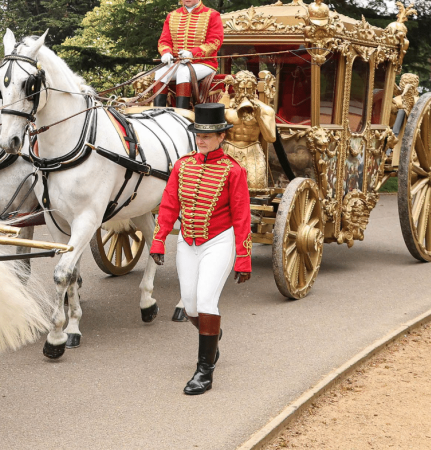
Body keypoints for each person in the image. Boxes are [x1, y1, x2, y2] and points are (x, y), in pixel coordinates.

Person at [149, 103, 251, 395]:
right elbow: (169, 205)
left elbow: (242, 217)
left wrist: (242, 259)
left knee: (206, 302)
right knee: (191, 306)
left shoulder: (233, 171)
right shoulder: (183, 165)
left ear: (222, 137)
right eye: (198, 134)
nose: (202, 140)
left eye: (209, 135)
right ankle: (213, 334)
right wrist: (159, 240)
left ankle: (204, 371)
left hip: (219, 241)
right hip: (187, 241)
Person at [150, 0, 224, 109]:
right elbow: (164, 41)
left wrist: (192, 53)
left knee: (183, 73)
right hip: (177, 63)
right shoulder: (172, 16)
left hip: (204, 63)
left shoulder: (212, 15)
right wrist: (166, 53)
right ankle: (157, 112)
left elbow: (214, 42)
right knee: (160, 72)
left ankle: (182, 113)